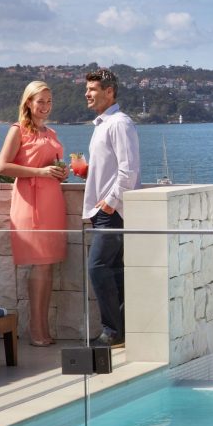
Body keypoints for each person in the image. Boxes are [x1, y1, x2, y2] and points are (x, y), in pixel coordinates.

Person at [0, 81, 68, 347]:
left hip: (52, 201)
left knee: (47, 265)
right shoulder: (18, 130)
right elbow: (2, 166)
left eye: (49, 102)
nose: (46, 107)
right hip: (31, 203)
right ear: (28, 103)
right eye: (41, 102)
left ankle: (42, 327)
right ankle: (35, 328)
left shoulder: (51, 132)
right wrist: (40, 173)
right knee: (40, 264)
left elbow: (52, 165)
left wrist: (61, 172)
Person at [80, 68, 141, 347]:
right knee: (114, 271)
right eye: (87, 89)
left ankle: (112, 331)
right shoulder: (103, 124)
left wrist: (109, 203)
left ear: (109, 92)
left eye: (92, 89)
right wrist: (88, 173)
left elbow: (128, 171)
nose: (87, 94)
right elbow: (112, 167)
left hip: (112, 212)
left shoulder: (119, 123)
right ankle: (120, 331)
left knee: (98, 267)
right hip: (104, 210)